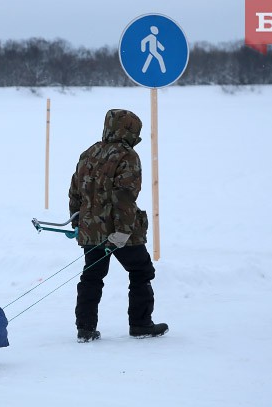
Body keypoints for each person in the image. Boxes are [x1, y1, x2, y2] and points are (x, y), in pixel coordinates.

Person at [68, 109, 168, 343]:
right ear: (130, 131)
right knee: (141, 272)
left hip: (90, 229)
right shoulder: (127, 156)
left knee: (91, 276)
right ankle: (141, 324)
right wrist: (122, 231)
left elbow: (74, 191)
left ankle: (85, 329)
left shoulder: (89, 152)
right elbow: (124, 196)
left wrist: (77, 222)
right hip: (119, 230)